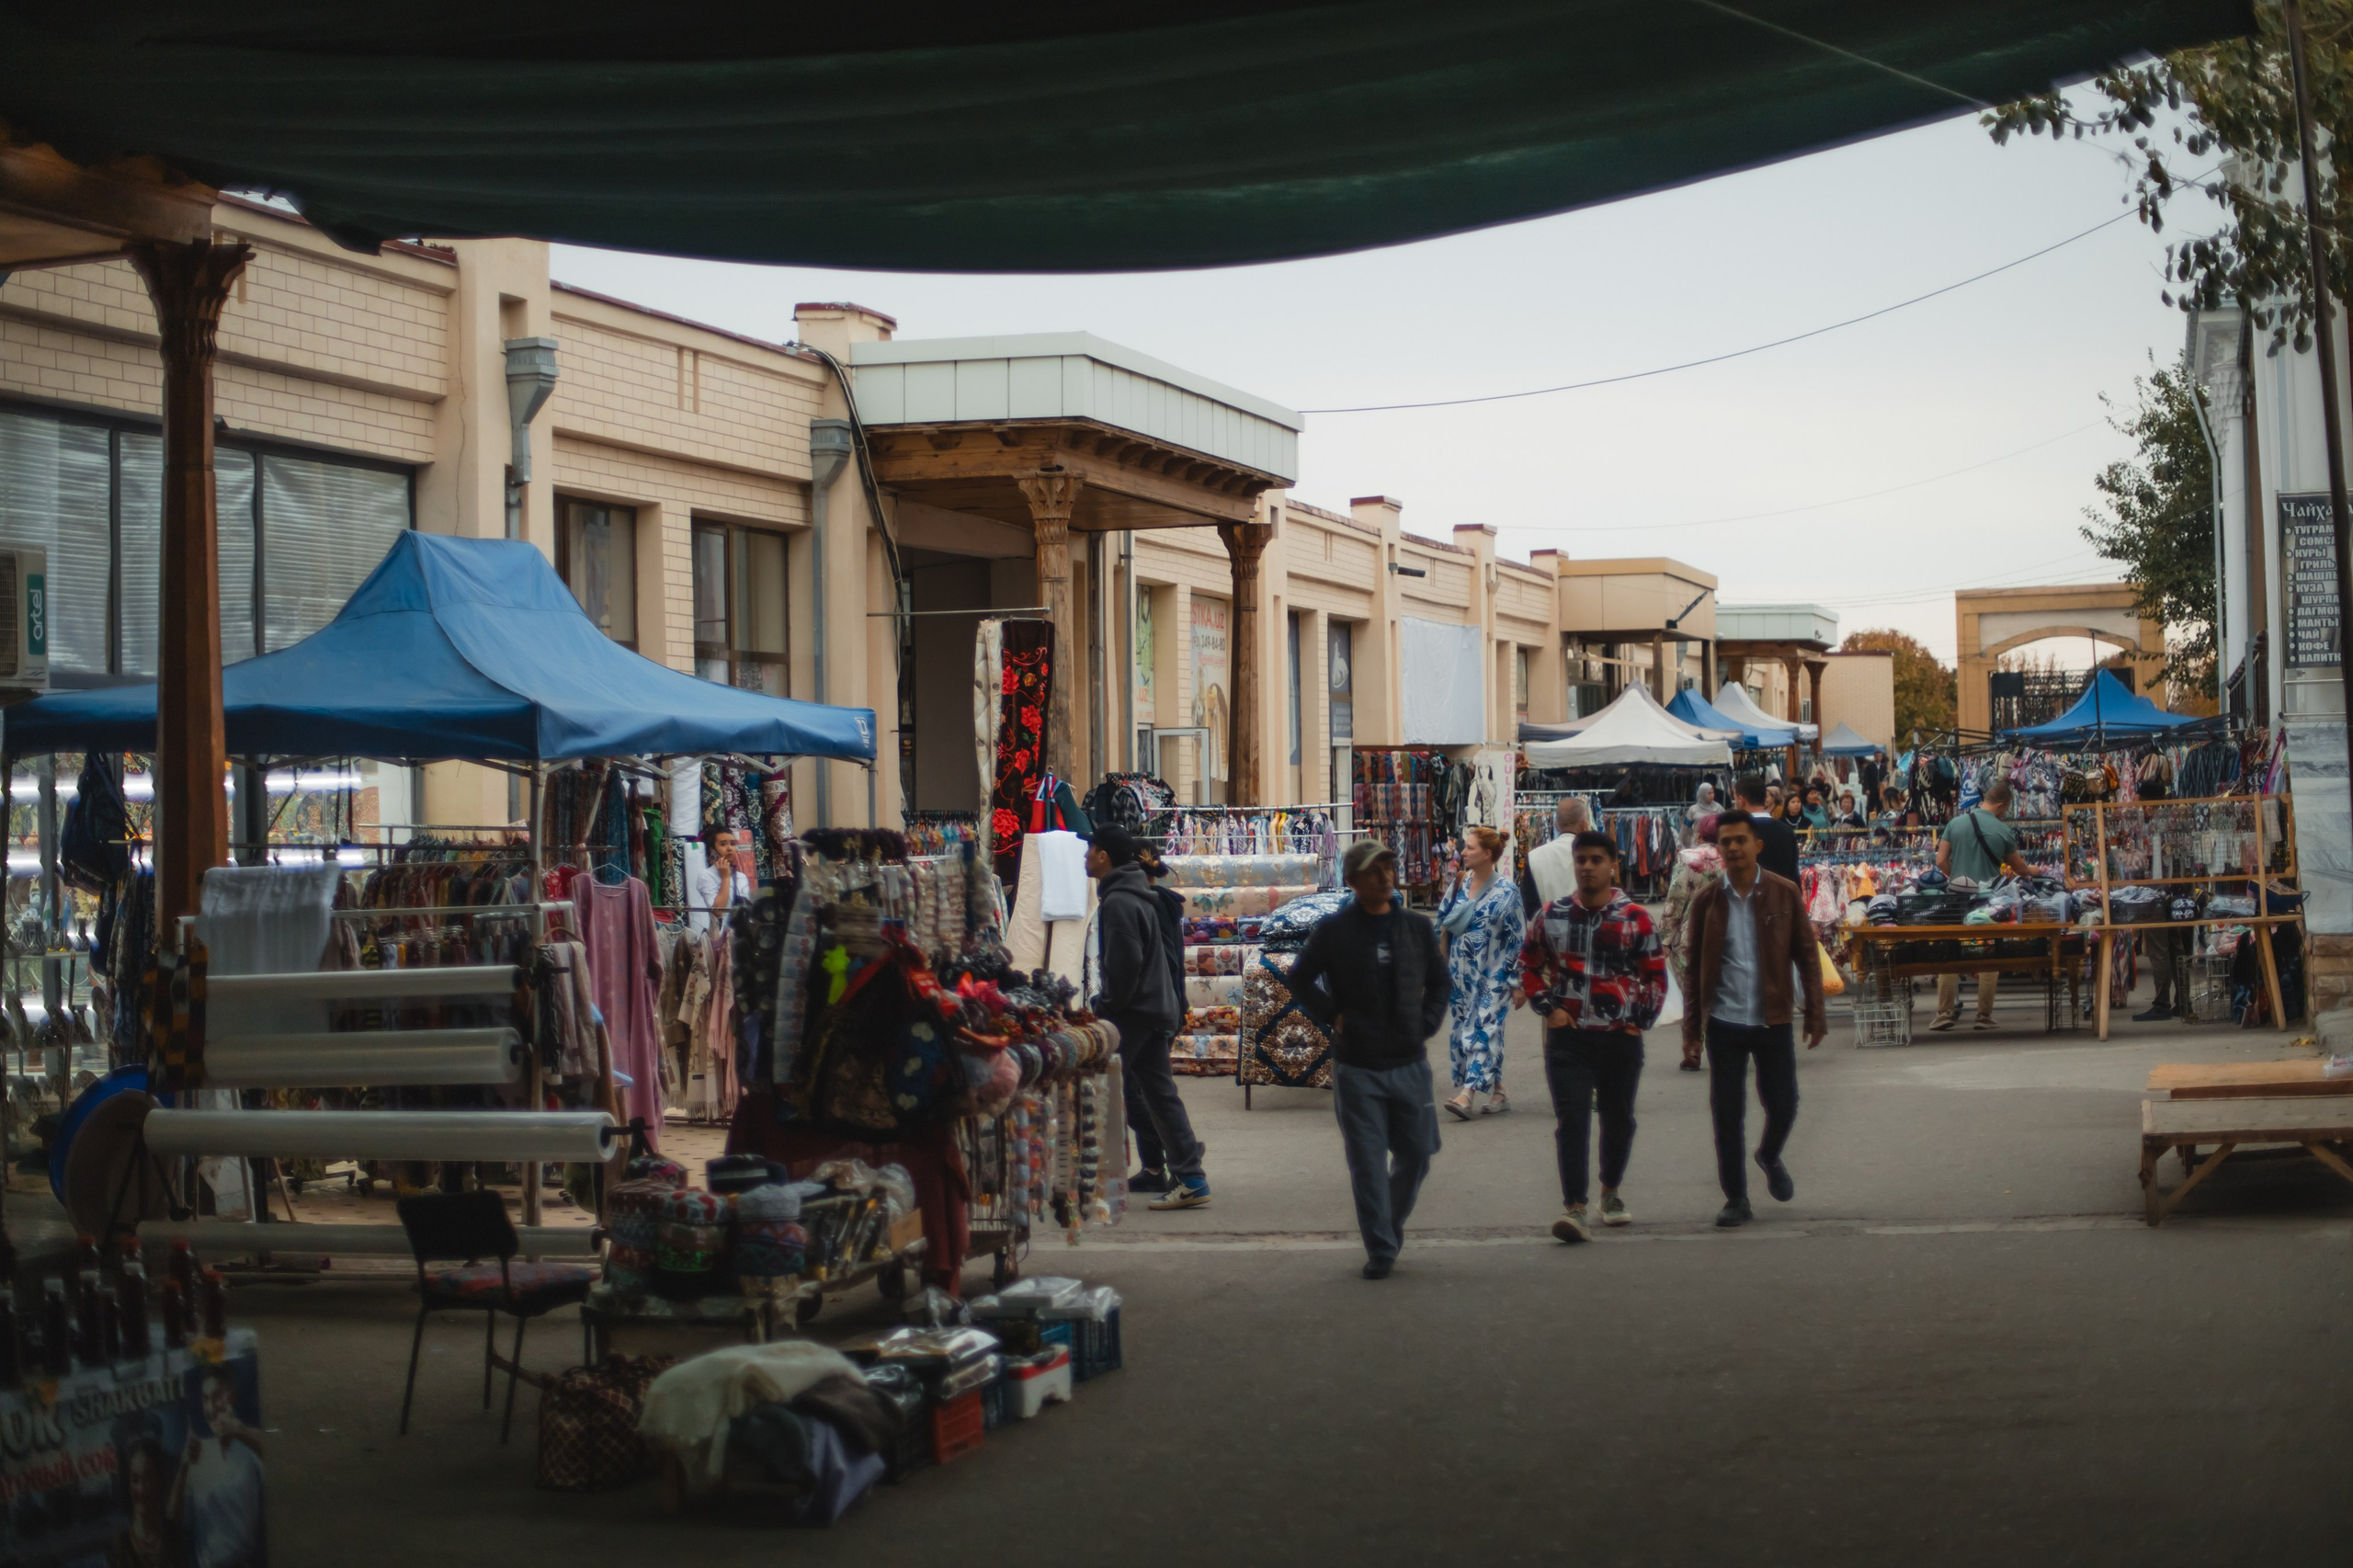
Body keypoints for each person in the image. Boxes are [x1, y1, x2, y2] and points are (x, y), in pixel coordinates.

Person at [1289, 839, 1450, 1278]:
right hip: (1357, 1065)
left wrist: (1426, 1023)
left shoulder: (1416, 927)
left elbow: (1440, 982)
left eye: (1388, 867)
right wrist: (1333, 1016)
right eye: (1374, 870)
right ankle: (1380, 1246)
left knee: (1417, 1154)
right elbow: (1299, 978)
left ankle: (1388, 1226)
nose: (1385, 876)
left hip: (1409, 1061)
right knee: (1367, 1162)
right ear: (1353, 881)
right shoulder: (1334, 931)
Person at [1678, 809, 1827, 1229]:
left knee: (1784, 1104)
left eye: (1740, 840)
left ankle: (1769, 1154)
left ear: (1757, 845)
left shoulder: (1784, 892)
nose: (1733, 848)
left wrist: (1815, 1013)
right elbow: (1694, 969)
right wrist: (1692, 1030)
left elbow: (1807, 956)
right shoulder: (1707, 901)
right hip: (1724, 1023)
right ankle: (1736, 1198)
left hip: (1772, 1019)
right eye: (1725, 842)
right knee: (1727, 1115)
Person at [1518, 832, 1667, 1242]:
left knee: (1619, 1119)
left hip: (1620, 1037)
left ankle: (1610, 1191)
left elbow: (1655, 975)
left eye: (1596, 860)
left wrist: (1639, 1020)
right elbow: (1528, 966)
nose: (1587, 867)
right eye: (1581, 859)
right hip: (1569, 1039)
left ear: (1613, 865)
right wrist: (1549, 1009)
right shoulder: (1551, 915)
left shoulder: (1634, 918)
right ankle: (1575, 1208)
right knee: (1572, 1120)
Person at [1085, 824, 1209, 1209]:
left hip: (1134, 1012)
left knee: (1097, 1090)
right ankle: (1190, 1176)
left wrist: (1104, 1005)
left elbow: (1125, 965)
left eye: (1090, 849)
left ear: (1103, 855)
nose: (1085, 856)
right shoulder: (1135, 895)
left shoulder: (1119, 902)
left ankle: (1085, 1180)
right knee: (1159, 1095)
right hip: (1153, 1008)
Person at [1435, 825, 1527, 1119]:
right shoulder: (1461, 882)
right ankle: (1499, 1090)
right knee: (1466, 1027)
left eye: (1470, 847)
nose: (1463, 852)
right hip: (1461, 973)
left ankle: (1467, 1095)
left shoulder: (1508, 893)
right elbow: (1442, 921)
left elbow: (1519, 939)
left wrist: (1517, 982)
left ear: (1487, 854)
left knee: (1484, 1029)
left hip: (1494, 976)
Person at [1930, 778, 2033, 1032]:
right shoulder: (2002, 831)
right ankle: (1983, 1016)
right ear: (2000, 806)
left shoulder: (1955, 823)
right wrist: (2035, 870)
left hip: (1957, 899)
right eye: (2006, 810)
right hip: (1989, 902)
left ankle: (1944, 1014)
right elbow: (2020, 869)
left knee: (1950, 953)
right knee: (1989, 953)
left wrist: (1958, 878)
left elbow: (1940, 860)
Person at [172, 1369, 264, 1568]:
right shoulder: (197, 1453)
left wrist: (239, 1430)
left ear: (232, 1395)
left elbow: (279, 1454)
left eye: (217, 1397)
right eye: (205, 1399)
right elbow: (173, 1522)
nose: (211, 1408)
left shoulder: (249, 1450)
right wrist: (184, 1466)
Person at [1658, 813, 1724, 1073]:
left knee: (1692, 997)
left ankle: (1693, 1049)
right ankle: (1722, 1049)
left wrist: (1664, 939)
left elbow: (1675, 900)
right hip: (1726, 936)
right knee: (1719, 994)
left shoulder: (1688, 858)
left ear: (1699, 834)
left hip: (1690, 937)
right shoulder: (1732, 859)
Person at [1525, 796, 1595, 909]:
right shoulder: (1595, 856)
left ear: (1556, 825)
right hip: (1587, 919)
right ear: (1584, 825)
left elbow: (1529, 907)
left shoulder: (1534, 857)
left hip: (1547, 919)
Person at [1731, 772, 1800, 885]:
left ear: (1741, 800)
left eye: (1735, 799)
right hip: (1782, 894)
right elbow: (1794, 875)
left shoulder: (1736, 833)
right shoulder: (1787, 831)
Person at [689, 827, 753, 932]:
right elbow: (718, 912)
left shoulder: (742, 877)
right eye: (723, 844)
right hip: (720, 936)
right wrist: (725, 878)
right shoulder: (706, 876)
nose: (730, 848)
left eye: (732, 844)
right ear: (712, 850)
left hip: (742, 935)